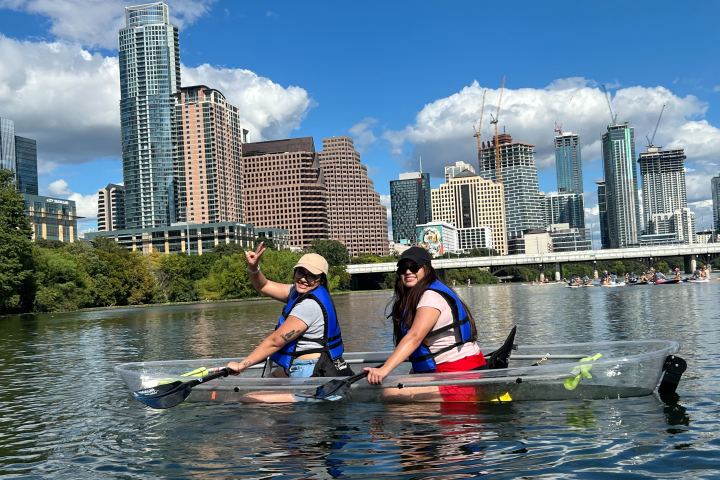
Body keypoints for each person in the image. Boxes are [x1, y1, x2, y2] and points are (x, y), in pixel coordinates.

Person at [226, 242, 352, 378]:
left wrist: (242, 365)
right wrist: (253, 268)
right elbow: (264, 286)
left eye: (311, 275)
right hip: (310, 364)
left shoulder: (308, 305)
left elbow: (275, 341)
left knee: (249, 399)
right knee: (269, 381)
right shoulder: (297, 292)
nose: (303, 279)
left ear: (320, 280)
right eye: (300, 272)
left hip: (310, 369)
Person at [364, 246, 485, 387]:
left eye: (414, 267)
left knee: (391, 392)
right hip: (440, 370)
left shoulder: (431, 296)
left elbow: (415, 336)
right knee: (398, 386)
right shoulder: (417, 296)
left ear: (426, 269)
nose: (408, 271)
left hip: (460, 371)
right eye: (403, 268)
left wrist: (384, 369)